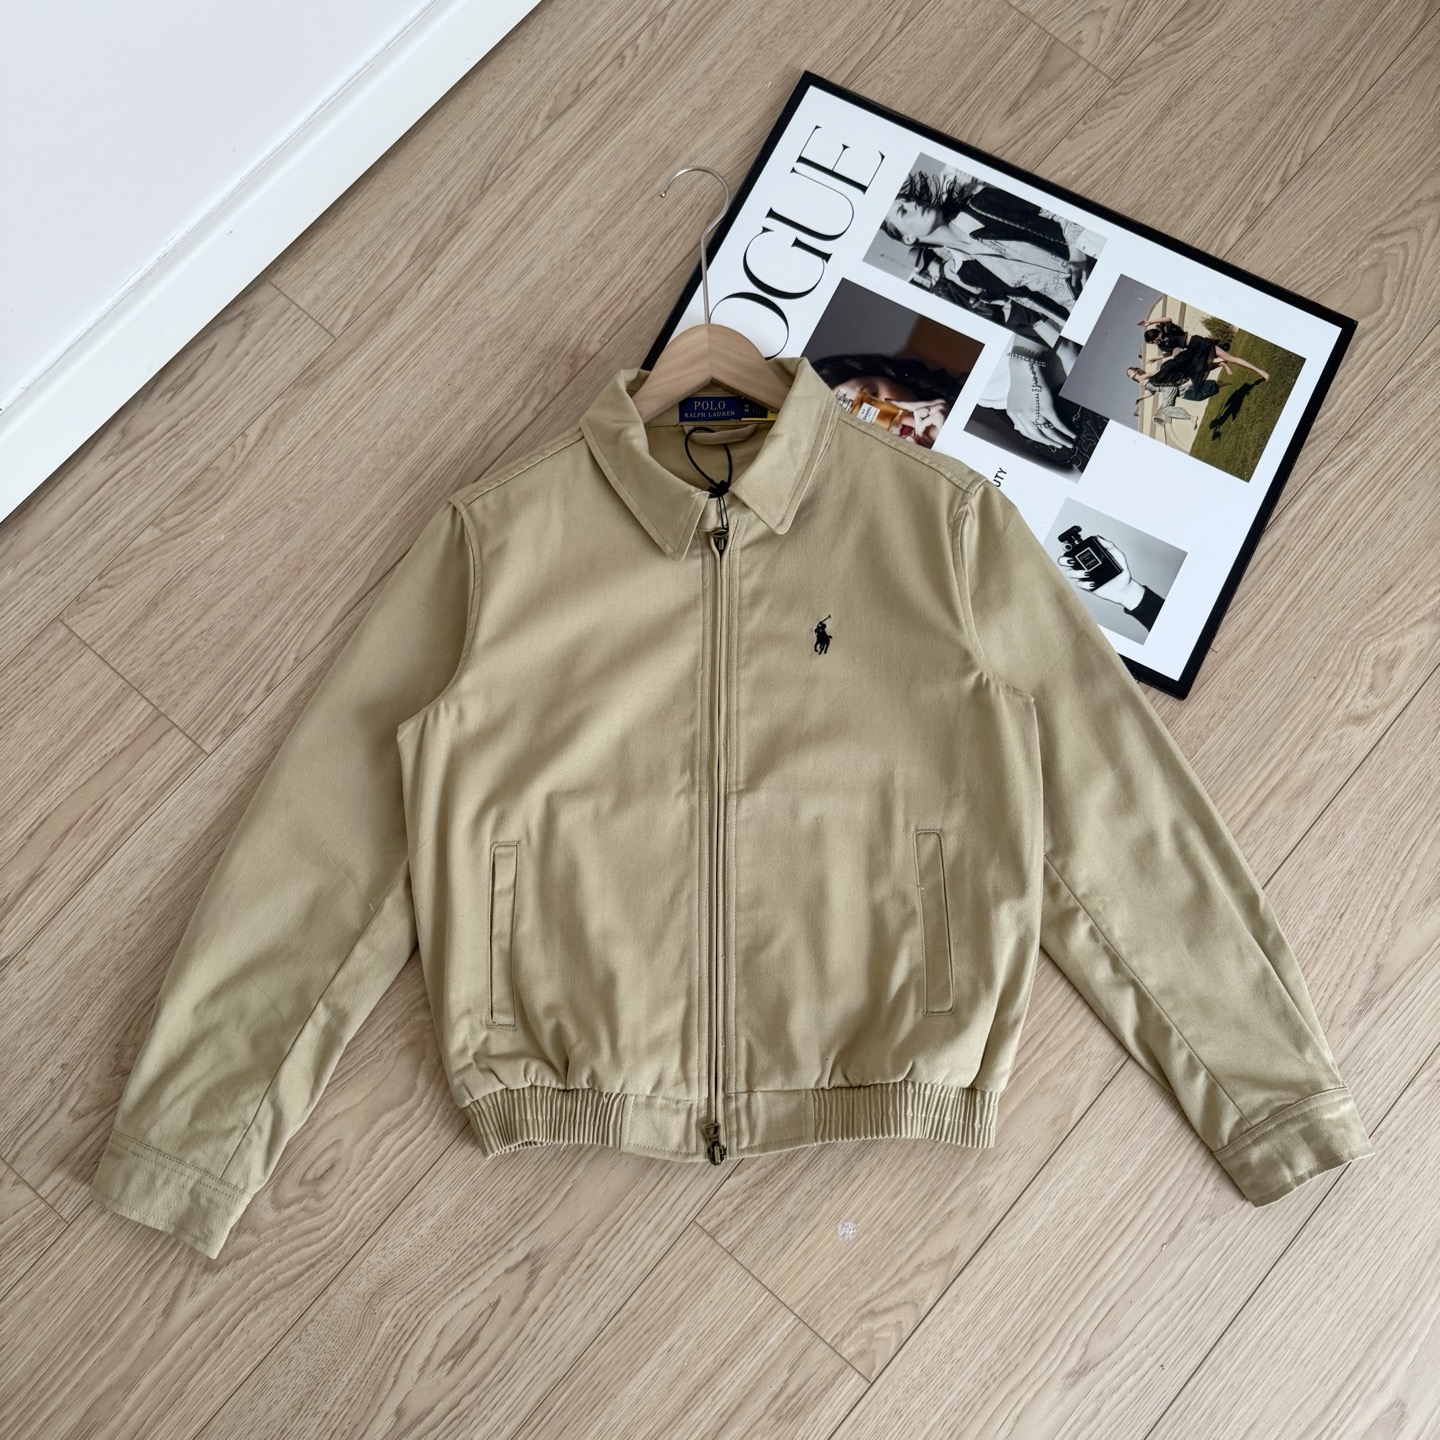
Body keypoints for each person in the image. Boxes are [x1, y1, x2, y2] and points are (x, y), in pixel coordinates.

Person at [883, 168, 1100, 322]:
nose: (914, 204)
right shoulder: (966, 272)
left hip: (1097, 261)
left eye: (909, 200)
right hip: (1082, 309)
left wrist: (1077, 254)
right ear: (908, 238)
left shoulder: (983, 203)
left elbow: (1058, 210)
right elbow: (1032, 302)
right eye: (904, 211)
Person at [808, 351, 967, 448]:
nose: (890, 422)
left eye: (873, 394)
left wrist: (955, 436)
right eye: (860, 425)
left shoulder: (976, 394)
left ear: (887, 375)